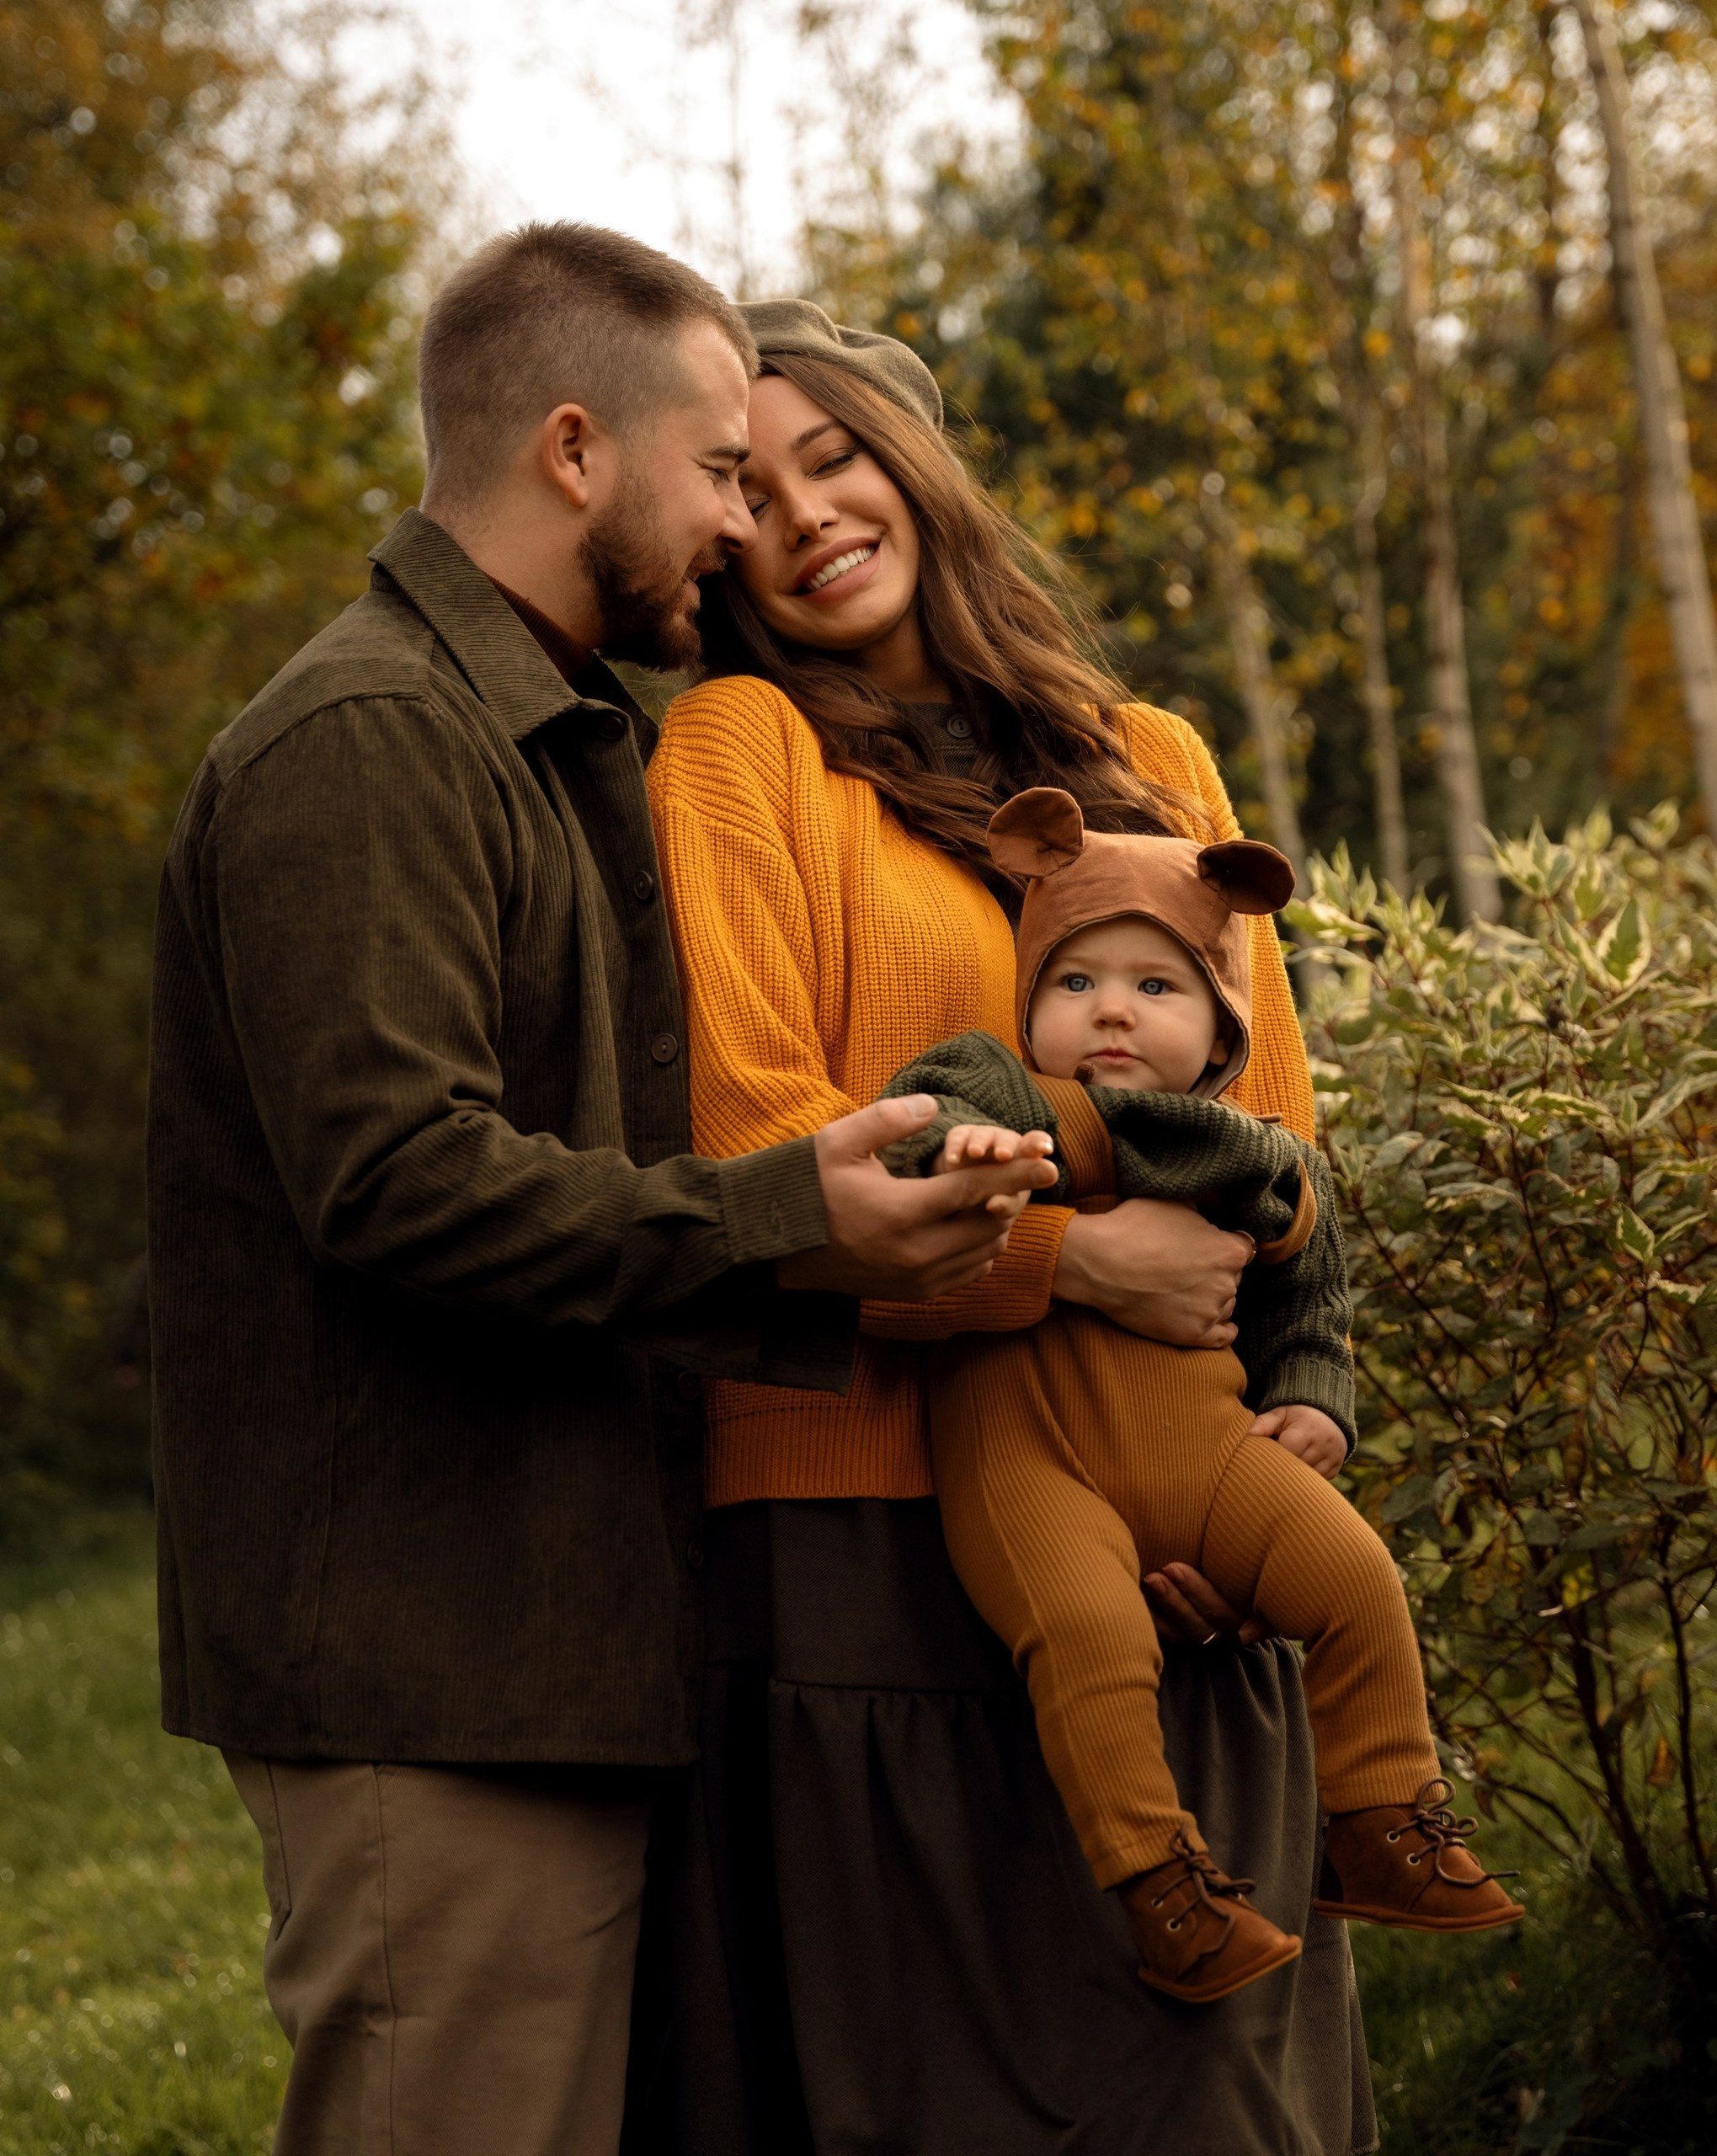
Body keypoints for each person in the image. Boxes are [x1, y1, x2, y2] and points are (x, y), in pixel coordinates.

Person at [147, 226, 1049, 2156]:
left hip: (556, 1646)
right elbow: (397, 1178)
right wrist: (788, 1215)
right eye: (719, 467)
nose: (739, 523)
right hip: (430, 1663)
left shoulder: (553, 738)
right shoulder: (372, 733)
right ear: (574, 449)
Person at [640, 299, 1378, 2153]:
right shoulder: (737, 751)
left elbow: (1272, 1136)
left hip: (1173, 1497)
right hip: (863, 1523)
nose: (805, 517)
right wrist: (1074, 1257)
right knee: (930, 2095)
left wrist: (1267, 1443)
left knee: (1214, 2090)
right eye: (749, 493)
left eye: (835, 458)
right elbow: (759, 1144)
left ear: (917, 460)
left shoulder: (1155, 760)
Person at [876, 787, 1527, 2004]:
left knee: (1356, 1579)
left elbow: (1308, 1299)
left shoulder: (1258, 1157)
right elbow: (909, 1138)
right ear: (1031, 1000)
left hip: (1207, 1450)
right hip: (1030, 1462)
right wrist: (956, 1151)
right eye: (1075, 982)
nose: (1112, 1008)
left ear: (1222, 1025)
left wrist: (1315, 1400)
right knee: (1090, 1640)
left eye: (1156, 985)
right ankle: (1160, 1887)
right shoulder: (996, 1088)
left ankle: (1382, 1823)